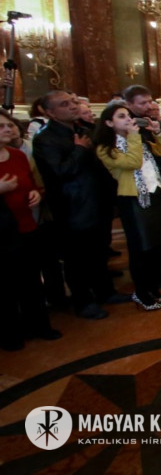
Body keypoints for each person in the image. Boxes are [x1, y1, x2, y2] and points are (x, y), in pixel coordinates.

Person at [32, 90, 125, 319]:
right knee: (77, 258)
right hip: (72, 207)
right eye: (65, 104)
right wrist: (79, 149)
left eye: (73, 101)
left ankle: (105, 292)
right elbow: (60, 171)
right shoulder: (45, 138)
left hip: (97, 201)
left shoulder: (83, 130)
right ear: (50, 112)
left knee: (99, 251)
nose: (73, 106)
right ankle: (83, 302)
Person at [95, 103, 161, 311]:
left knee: (155, 246)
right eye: (121, 116)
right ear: (109, 123)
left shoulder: (138, 139)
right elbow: (133, 163)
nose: (128, 119)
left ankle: (153, 288)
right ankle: (141, 292)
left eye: (129, 115)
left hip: (154, 193)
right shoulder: (106, 148)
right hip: (133, 199)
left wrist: (158, 133)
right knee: (140, 248)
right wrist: (133, 136)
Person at [0, 109, 61, 351]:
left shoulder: (17, 155)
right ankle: (11, 334)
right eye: (1, 126)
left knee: (31, 279)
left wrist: (36, 192)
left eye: (9, 125)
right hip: (2, 233)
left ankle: (39, 325)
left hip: (26, 224)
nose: (7, 129)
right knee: (6, 285)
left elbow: (31, 183)